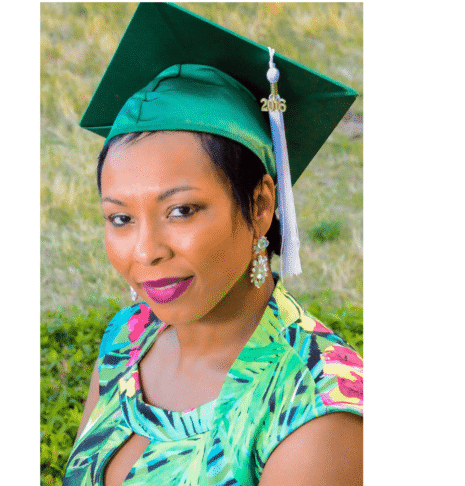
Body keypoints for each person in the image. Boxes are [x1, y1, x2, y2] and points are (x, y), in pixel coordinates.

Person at [63, 4, 363, 485]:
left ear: (261, 205)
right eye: (120, 218)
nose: (145, 251)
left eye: (181, 210)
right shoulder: (128, 338)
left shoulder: (315, 416)